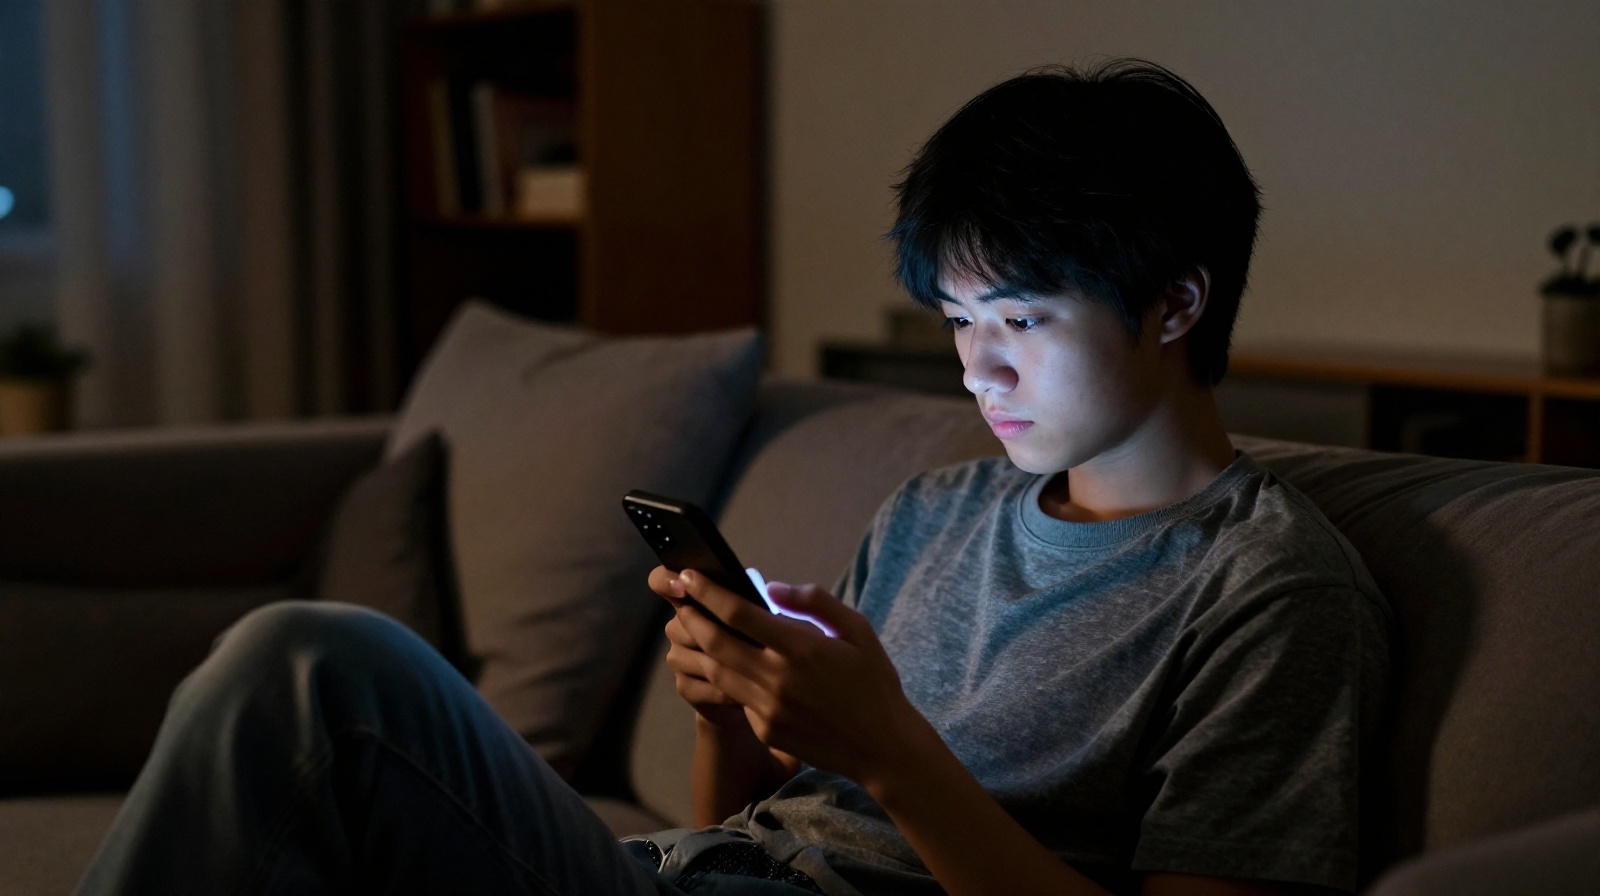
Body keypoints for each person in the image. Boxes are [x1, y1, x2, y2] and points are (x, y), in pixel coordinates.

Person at [76, 59, 1392, 896]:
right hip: (672, 877)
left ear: (1175, 306)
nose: (977, 366)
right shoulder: (936, 509)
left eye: (1022, 318)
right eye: (955, 319)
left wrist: (892, 751)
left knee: (318, 672)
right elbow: (764, 826)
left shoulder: (1271, 592)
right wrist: (726, 710)